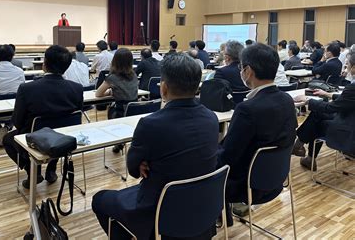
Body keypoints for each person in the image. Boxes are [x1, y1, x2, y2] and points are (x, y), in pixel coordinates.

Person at [92, 53, 219, 240]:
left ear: (164, 88)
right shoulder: (211, 118)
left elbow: (134, 171)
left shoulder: (151, 124)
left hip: (160, 206)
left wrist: (142, 162)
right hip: (202, 204)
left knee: (99, 200)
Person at [217, 43, 297, 226]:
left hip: (245, 186)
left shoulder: (248, 109)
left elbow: (228, 156)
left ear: (248, 71)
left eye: (241, 68)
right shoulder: (286, 100)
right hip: (276, 180)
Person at [3, 45, 83, 188]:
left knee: (8, 139)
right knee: (58, 131)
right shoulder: (77, 88)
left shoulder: (27, 88)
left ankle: (32, 170)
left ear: (44, 64)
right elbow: (76, 115)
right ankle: (51, 169)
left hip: (34, 136)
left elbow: (17, 122)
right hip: (64, 137)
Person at [293, 53, 355, 170]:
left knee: (317, 120)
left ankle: (299, 144)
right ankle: (306, 154)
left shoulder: (352, 87)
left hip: (349, 132)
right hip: (350, 121)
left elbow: (330, 108)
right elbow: (349, 100)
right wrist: (328, 94)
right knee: (318, 115)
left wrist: (307, 100)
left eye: (347, 65)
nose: (345, 69)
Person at [96, 48, 139, 120]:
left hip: (120, 113)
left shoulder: (112, 77)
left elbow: (98, 93)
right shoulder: (134, 75)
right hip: (134, 112)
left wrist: (110, 92)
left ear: (115, 61)